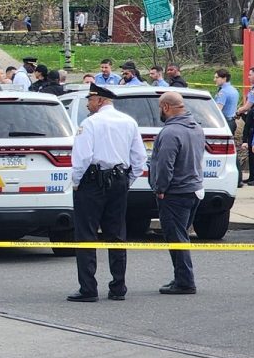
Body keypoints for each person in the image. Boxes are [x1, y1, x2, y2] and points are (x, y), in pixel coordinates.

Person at [68, 82, 147, 302]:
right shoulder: (129, 122)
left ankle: (88, 288)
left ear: (100, 100)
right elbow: (139, 159)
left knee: (86, 235)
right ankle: (118, 287)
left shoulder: (90, 123)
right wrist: (127, 181)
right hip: (119, 180)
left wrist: (76, 182)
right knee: (117, 234)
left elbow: (82, 158)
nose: (88, 104)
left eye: (90, 100)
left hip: (92, 182)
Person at [150, 90, 204, 294]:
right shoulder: (196, 128)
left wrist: (160, 188)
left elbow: (165, 164)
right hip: (193, 189)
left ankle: (184, 281)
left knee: (176, 238)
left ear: (166, 107)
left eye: (160, 107)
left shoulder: (170, 132)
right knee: (181, 236)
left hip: (175, 192)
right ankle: (181, 277)